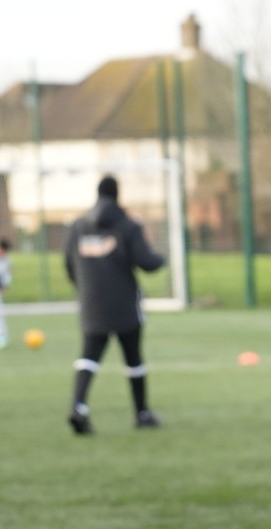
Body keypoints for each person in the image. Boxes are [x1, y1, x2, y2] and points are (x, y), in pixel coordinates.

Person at [63, 176, 168, 434]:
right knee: (133, 358)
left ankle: (79, 407)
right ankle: (142, 413)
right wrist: (161, 258)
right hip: (123, 304)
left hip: (91, 303)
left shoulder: (77, 227)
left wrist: (84, 289)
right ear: (117, 194)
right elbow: (146, 262)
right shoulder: (127, 226)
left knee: (89, 356)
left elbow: (68, 263)